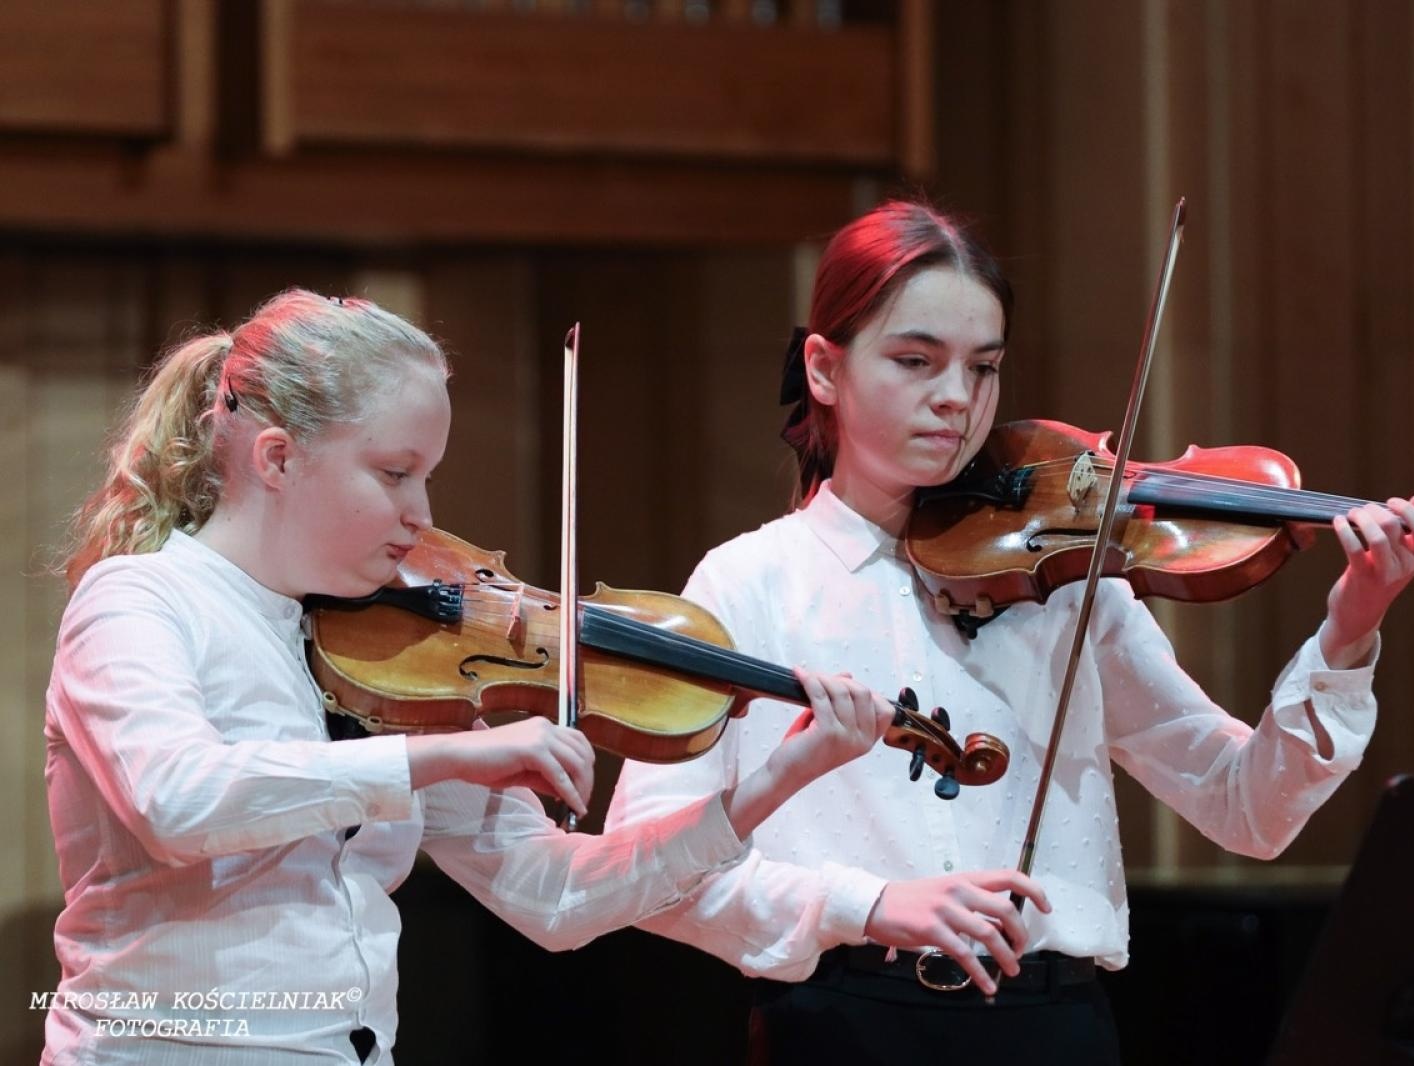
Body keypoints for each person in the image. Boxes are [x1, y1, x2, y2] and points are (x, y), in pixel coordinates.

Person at [604, 200, 1414, 1064]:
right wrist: (872, 903)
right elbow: (651, 869)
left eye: (984, 367)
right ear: (823, 367)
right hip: (841, 1029)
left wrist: (1347, 631)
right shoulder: (751, 584)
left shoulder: (1066, 587)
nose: (958, 400)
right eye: (916, 361)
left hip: (1055, 1029)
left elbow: (1246, 809)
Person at [40, 289, 895, 1065]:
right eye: (394, 473)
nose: (424, 516)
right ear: (276, 458)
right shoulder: (141, 601)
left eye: (430, 476)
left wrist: (776, 778)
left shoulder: (393, 657)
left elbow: (555, 897)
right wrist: (439, 760)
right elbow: (178, 803)